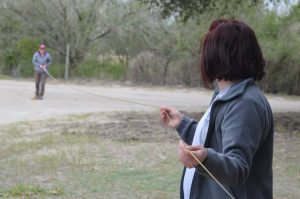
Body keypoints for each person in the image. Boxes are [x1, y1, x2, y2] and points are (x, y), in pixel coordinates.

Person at [160, 19, 274, 199]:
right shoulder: (226, 95)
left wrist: (205, 158)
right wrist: (182, 124)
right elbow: (216, 139)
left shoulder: (245, 103)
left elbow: (237, 168)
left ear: (219, 54)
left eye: (207, 49)